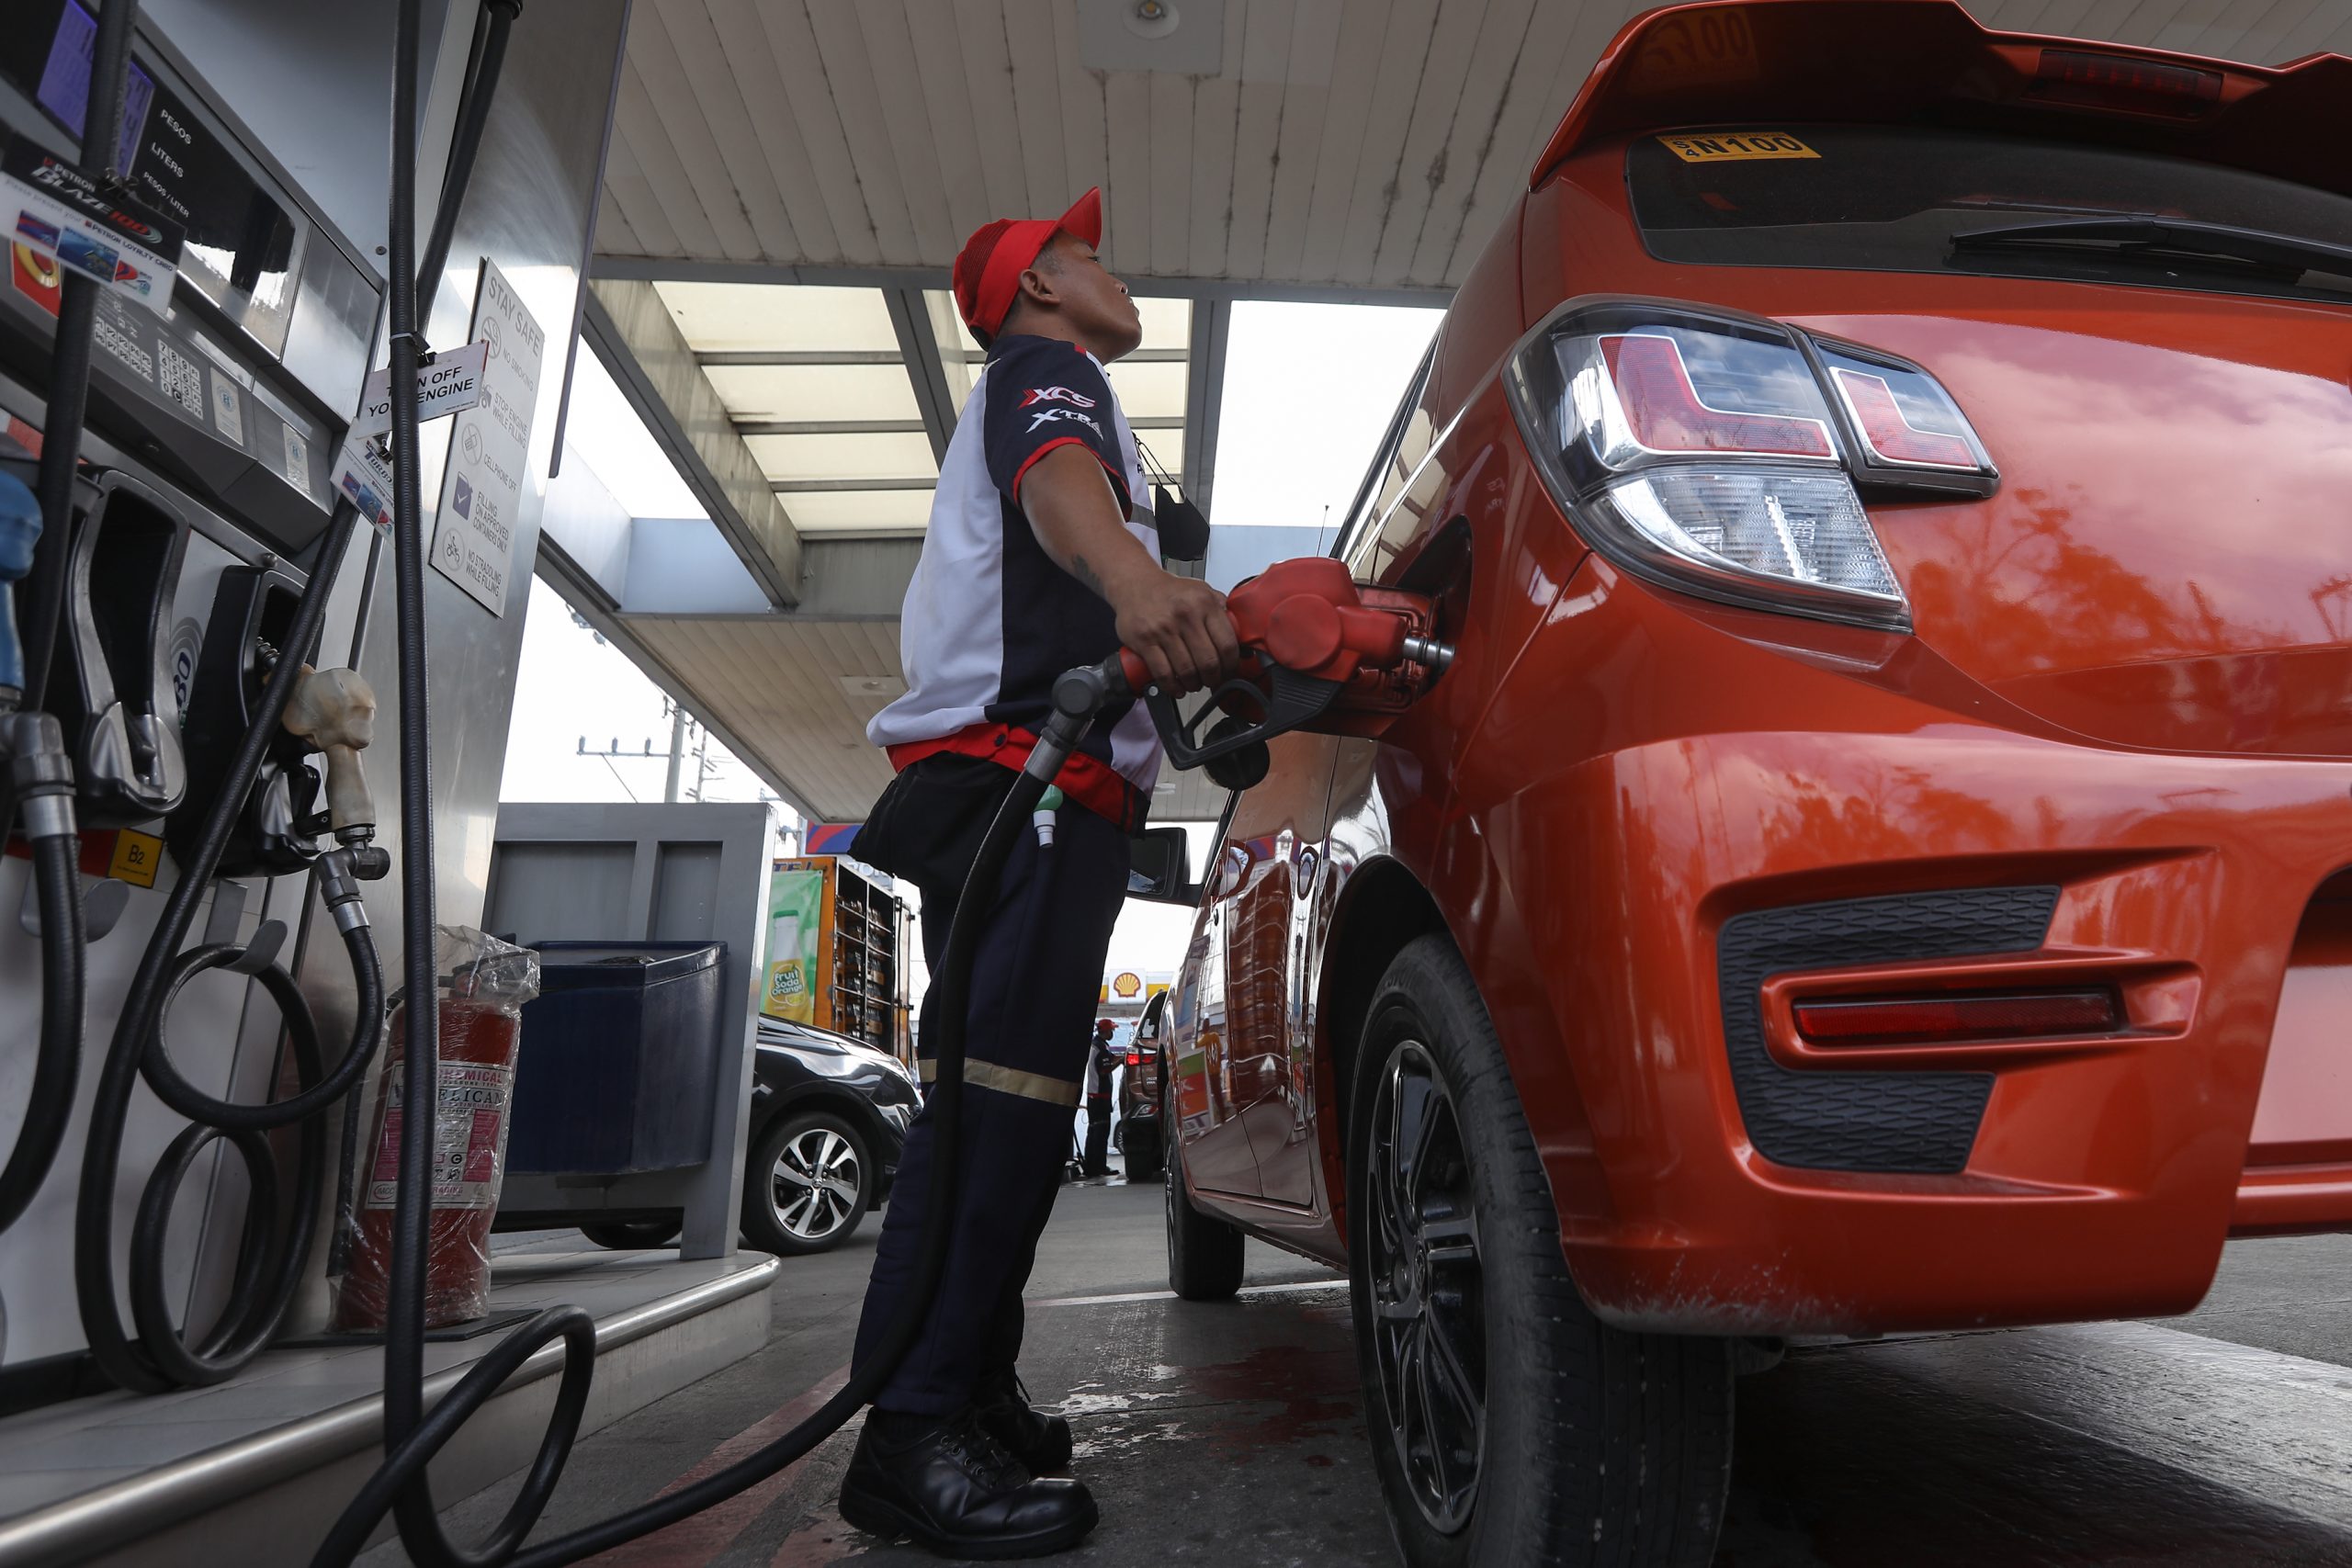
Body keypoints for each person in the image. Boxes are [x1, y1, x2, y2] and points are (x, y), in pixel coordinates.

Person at [838, 186, 1238, 1558]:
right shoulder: (1047, 372)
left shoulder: (1070, 387)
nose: (1116, 275)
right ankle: (912, 1430)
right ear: (1041, 286)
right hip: (1025, 778)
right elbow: (1057, 492)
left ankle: (971, 1378)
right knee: (997, 1110)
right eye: (1090, 258)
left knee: (1008, 1098)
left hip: (1040, 783)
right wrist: (1137, 582)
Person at [1080, 1019, 1120, 1179]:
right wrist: (1122, 1061)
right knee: (1100, 1132)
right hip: (1099, 1097)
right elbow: (1104, 1070)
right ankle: (1098, 1167)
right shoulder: (1101, 1048)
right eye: (1112, 1030)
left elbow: (1109, 1058)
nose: (1113, 1033)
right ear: (1106, 1031)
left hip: (1094, 1096)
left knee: (1094, 1130)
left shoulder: (1097, 1045)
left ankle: (1092, 1166)